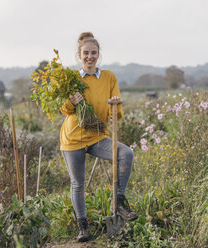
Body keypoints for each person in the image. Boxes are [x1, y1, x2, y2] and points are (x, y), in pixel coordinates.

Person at [60, 32, 138, 242]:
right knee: (78, 183)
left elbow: (117, 114)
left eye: (93, 53)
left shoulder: (109, 77)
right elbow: (64, 110)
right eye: (86, 53)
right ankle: (83, 227)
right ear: (79, 55)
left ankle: (119, 202)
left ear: (98, 55)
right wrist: (72, 102)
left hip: (97, 136)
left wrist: (115, 104)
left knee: (126, 153)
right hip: (73, 138)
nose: (90, 57)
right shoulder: (73, 79)